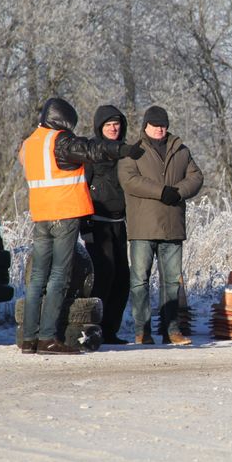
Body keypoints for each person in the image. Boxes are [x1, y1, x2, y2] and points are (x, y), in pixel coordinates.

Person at [19, 97, 143, 355]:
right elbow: (90, 150)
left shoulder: (30, 143)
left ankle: (29, 338)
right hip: (63, 216)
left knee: (37, 279)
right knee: (58, 278)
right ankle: (47, 337)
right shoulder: (60, 142)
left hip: (41, 216)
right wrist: (122, 149)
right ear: (62, 121)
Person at [118, 105, 203, 346]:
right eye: (155, 125)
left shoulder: (181, 150)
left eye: (163, 125)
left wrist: (177, 193)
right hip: (143, 227)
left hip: (172, 226)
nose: (160, 129)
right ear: (145, 126)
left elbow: (196, 177)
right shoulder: (132, 152)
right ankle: (142, 331)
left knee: (172, 281)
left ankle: (172, 331)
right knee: (139, 280)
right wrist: (161, 191)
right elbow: (130, 180)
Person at [81, 105, 133, 345]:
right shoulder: (92, 152)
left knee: (123, 278)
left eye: (116, 124)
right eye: (108, 125)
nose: (113, 128)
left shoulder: (125, 152)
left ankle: (111, 330)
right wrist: (84, 221)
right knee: (104, 275)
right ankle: (93, 328)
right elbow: (81, 186)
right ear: (100, 128)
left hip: (118, 223)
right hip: (96, 224)